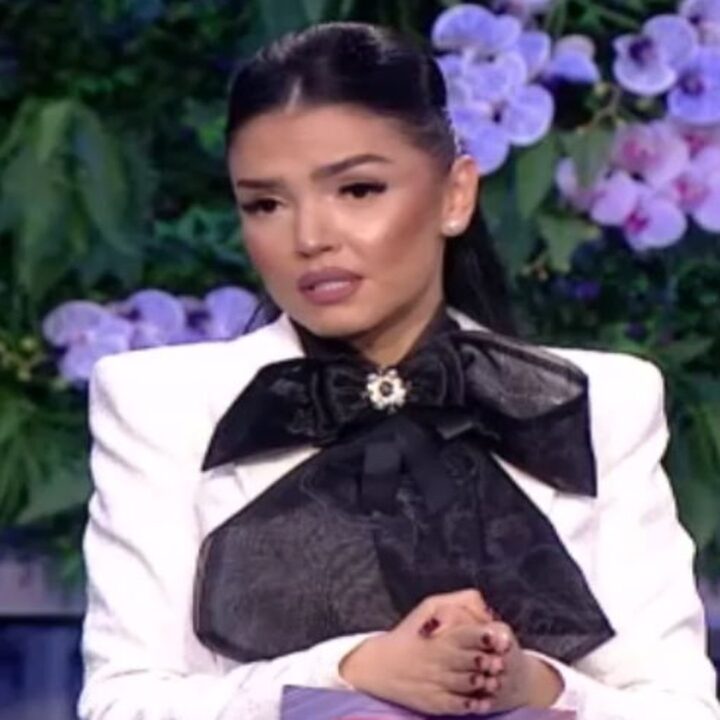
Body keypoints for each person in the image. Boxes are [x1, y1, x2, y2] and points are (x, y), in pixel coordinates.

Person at [78, 21, 720, 720]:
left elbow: (679, 709)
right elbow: (122, 705)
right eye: (265, 204)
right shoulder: (160, 404)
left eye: (358, 190)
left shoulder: (595, 401)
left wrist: (530, 685)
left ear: (455, 195)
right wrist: (350, 672)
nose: (310, 238)